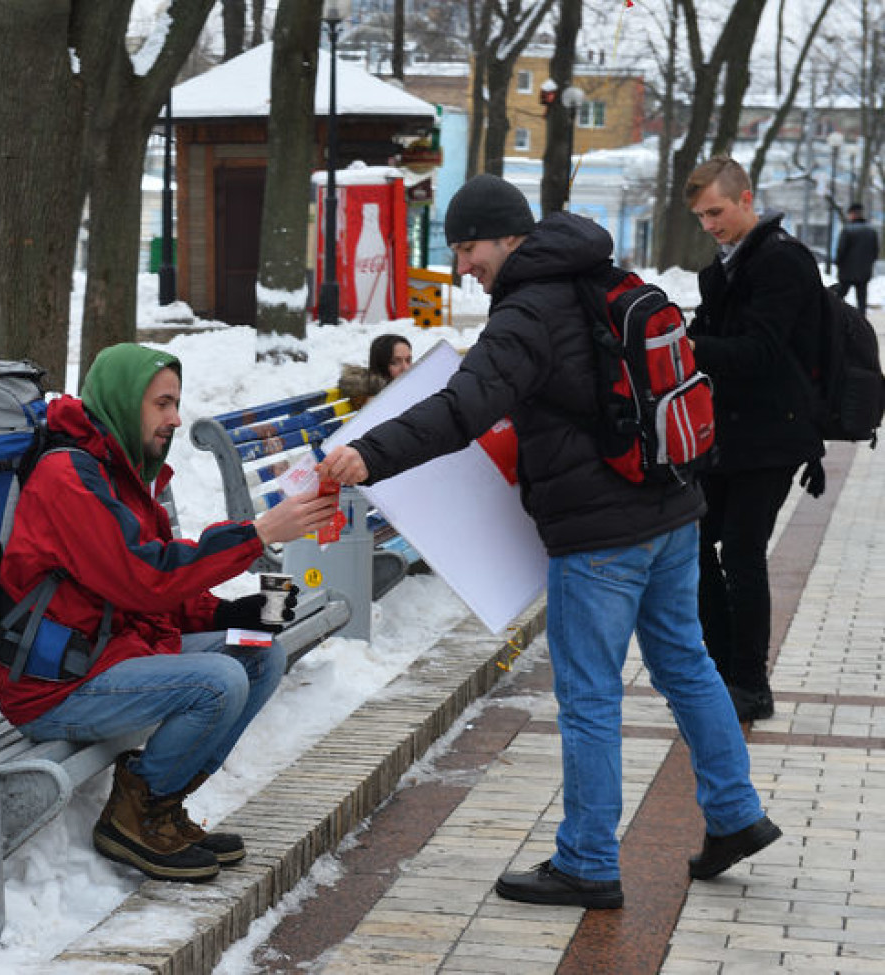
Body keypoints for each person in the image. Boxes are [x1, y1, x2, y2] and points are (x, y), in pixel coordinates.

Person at [318, 173, 780, 910]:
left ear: (508, 237)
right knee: (688, 666)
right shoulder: (600, 274)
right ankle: (735, 813)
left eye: (468, 248)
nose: (463, 265)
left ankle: (589, 861)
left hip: (601, 537)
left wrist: (372, 453)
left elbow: (463, 408)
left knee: (590, 696)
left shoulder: (530, 309)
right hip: (671, 511)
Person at [0, 343, 338, 883]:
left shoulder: (118, 470)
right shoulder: (69, 478)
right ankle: (133, 819)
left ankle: (159, 806)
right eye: (162, 404)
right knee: (217, 680)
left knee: (257, 651)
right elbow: (144, 576)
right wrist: (259, 535)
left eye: (176, 404)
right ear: (124, 401)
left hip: (111, 657)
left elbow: (150, 585)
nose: (175, 418)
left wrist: (229, 613)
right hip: (55, 684)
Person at [685, 157, 825, 723]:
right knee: (692, 542)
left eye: (716, 212)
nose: (709, 225)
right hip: (729, 433)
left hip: (775, 431)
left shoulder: (780, 262)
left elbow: (762, 353)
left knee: (742, 551)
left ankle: (749, 683)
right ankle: (722, 669)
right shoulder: (725, 267)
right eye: (699, 217)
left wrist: (690, 348)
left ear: (746, 199)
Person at [338, 334, 414, 406]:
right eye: (394, 362)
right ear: (381, 364)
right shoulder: (374, 397)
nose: (406, 368)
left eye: (408, 360)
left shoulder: (409, 388)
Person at [834, 201, 878, 313]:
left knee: (839, 296)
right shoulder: (871, 231)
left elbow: (841, 251)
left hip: (847, 272)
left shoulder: (847, 230)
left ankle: (834, 317)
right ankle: (862, 324)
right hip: (864, 272)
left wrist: (838, 263)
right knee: (862, 300)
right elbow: (875, 252)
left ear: (852, 214)